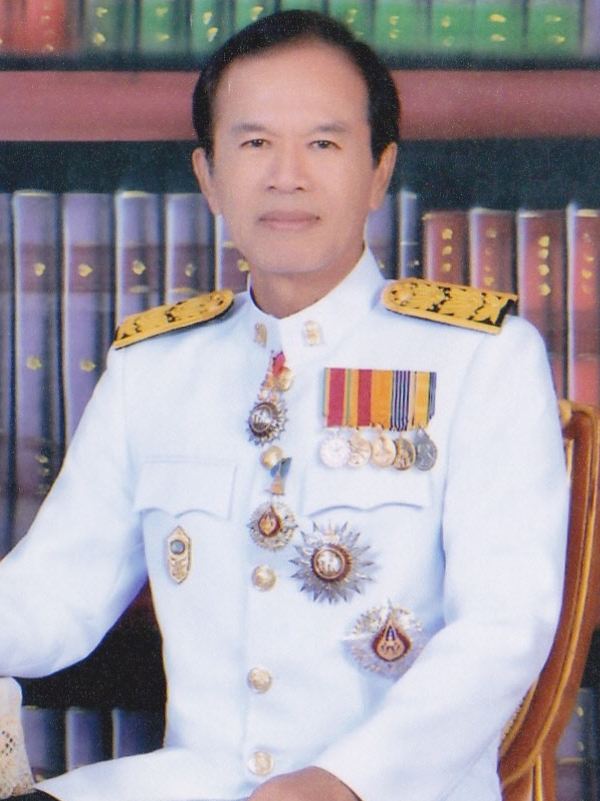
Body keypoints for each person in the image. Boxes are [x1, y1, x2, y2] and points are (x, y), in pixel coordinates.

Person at [0, 9, 568, 801]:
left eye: (324, 144)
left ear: (379, 171)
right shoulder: (155, 366)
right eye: (255, 143)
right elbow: (53, 595)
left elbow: (503, 628)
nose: (286, 176)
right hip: (192, 784)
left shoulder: (482, 358)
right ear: (208, 176)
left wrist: (345, 780)